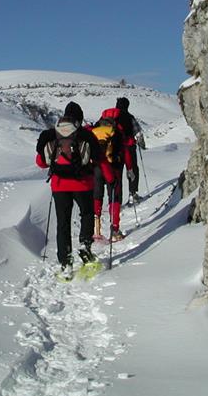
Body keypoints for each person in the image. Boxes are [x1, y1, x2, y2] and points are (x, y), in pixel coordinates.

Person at [35, 101, 101, 278]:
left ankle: (65, 263)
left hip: (59, 185)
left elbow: (41, 162)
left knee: (63, 223)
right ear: (79, 118)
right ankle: (85, 248)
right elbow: (98, 157)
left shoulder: (52, 134)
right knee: (87, 214)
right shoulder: (85, 134)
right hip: (83, 184)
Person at [94, 107, 133, 241]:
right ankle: (115, 230)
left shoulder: (97, 129)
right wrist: (129, 168)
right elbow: (126, 152)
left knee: (97, 195)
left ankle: (96, 229)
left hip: (98, 167)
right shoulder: (118, 131)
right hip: (114, 167)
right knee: (114, 197)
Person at [116, 97, 146, 204]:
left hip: (115, 149)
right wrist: (142, 145)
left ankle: (117, 201)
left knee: (117, 174)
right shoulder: (130, 117)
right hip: (129, 148)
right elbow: (138, 133)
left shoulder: (111, 117)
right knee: (133, 170)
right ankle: (132, 194)